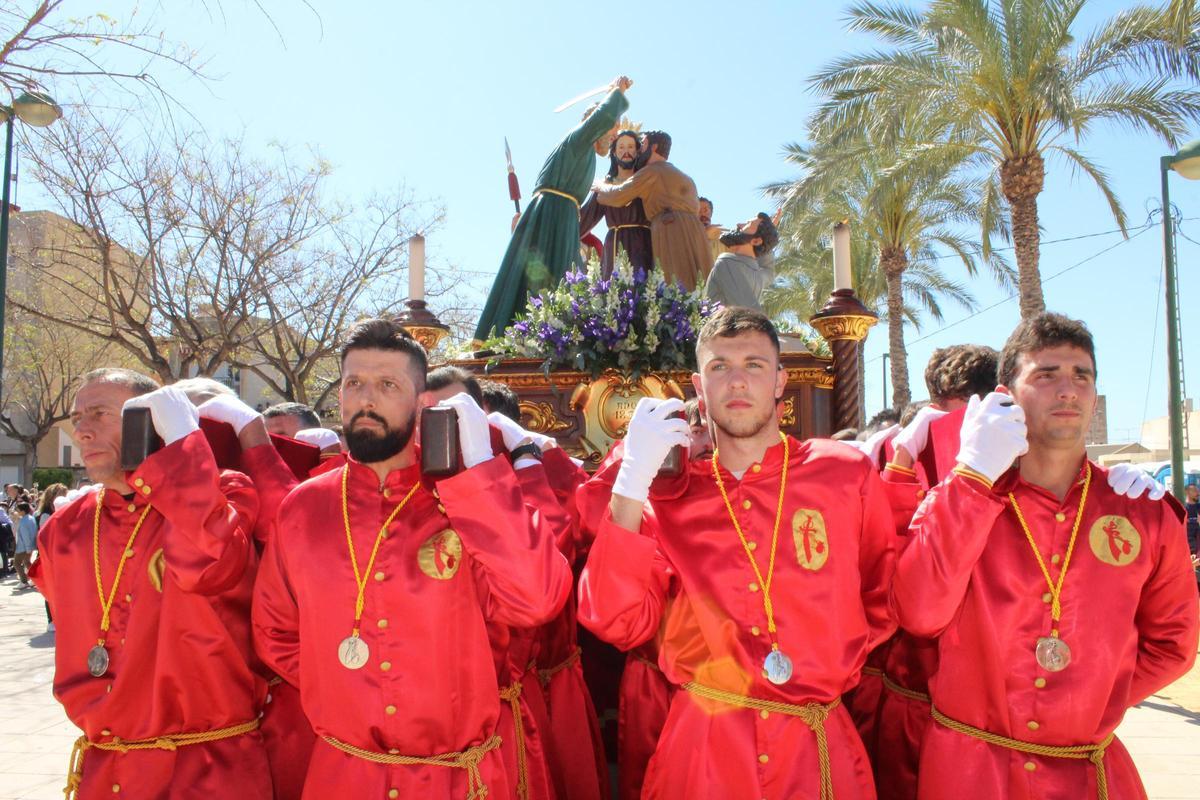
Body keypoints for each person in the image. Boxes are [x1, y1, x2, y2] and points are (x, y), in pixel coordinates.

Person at [578, 306, 898, 798]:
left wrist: (820, 657)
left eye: (754, 365)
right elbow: (616, 621)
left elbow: (882, 597)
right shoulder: (669, 497)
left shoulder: (845, 474)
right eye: (719, 367)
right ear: (698, 387)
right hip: (704, 748)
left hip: (814, 746)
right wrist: (629, 483)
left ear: (779, 381)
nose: (738, 381)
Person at [252, 318, 572, 799]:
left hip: (455, 776)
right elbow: (275, 633)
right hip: (346, 773)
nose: (366, 399)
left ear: (423, 403)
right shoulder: (303, 506)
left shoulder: (466, 497)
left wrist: (483, 472)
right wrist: (347, 692)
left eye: (387, 385)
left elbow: (537, 599)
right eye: (354, 383)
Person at [891, 312, 1199, 800]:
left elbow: (1175, 646)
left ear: (1094, 395)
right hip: (970, 772)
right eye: (1046, 374)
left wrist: (1090, 700)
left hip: (1083, 769)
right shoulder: (961, 497)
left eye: (1082, 375)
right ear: (1006, 394)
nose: (1068, 389)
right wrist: (971, 482)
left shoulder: (1146, 514)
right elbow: (919, 613)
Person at [30, 368, 271, 799]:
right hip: (106, 771)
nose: (82, 431)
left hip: (206, 770)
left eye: (100, 414)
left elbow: (211, 564)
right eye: (77, 416)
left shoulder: (225, 492)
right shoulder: (64, 525)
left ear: (151, 421)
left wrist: (183, 448)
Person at [475, 76, 633, 341]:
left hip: (562, 214)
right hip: (552, 215)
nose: (613, 136)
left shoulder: (586, 154)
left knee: (563, 273)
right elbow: (600, 118)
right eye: (611, 131)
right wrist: (618, 91)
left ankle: (552, 332)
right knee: (551, 273)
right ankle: (537, 332)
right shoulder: (580, 139)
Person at [593, 131, 712, 290]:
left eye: (642, 145)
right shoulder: (685, 177)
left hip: (670, 228)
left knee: (675, 283)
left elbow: (618, 195)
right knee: (698, 283)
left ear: (653, 147)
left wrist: (601, 186)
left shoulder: (652, 171)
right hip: (696, 233)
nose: (639, 150)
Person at [580, 129, 653, 276]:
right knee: (614, 290)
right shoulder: (604, 185)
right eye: (621, 147)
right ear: (614, 152)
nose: (626, 151)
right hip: (614, 244)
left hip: (643, 244)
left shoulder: (645, 180)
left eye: (631, 147)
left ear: (638, 151)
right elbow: (584, 220)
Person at [704, 213, 779, 311]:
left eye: (748, 224)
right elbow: (769, 269)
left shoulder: (727, 262)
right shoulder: (761, 276)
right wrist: (767, 238)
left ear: (756, 241)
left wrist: (767, 236)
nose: (739, 224)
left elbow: (746, 313)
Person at [13, 500, 37, 587]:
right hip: (30, 545)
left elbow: (25, 536)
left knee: (16, 563)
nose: (17, 512)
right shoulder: (31, 518)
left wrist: (28, 548)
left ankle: (24, 581)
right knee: (27, 562)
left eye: (18, 510)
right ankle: (35, 579)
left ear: (22, 511)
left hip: (23, 547)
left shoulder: (23, 521)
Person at [1185, 483, 1200, 556]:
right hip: (1187, 546)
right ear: (1187, 492)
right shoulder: (1182, 507)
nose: (1198, 493)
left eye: (1198, 491)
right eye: (1195, 491)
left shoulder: (1198, 507)